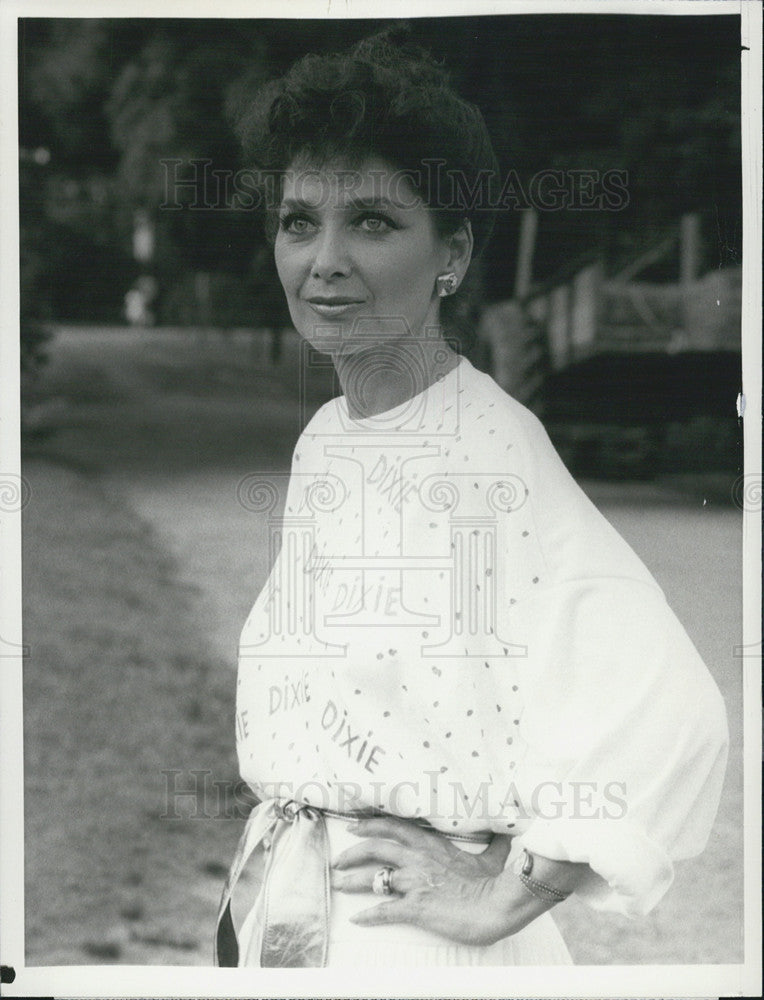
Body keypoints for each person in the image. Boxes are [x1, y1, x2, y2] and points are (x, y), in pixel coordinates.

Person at [215, 26, 728, 967]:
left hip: (408, 947)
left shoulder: (490, 456)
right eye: (299, 221)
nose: (322, 259)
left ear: (450, 253)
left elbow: (672, 710)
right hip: (298, 918)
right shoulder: (330, 438)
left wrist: (502, 898)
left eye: (371, 221)